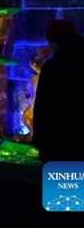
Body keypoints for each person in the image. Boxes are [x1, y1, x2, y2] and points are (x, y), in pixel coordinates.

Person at [32, 19, 84, 164]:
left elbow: (44, 105)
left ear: (54, 41)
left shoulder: (55, 67)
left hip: (59, 142)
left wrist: (40, 140)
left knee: (63, 185)